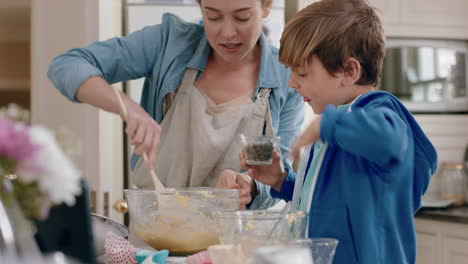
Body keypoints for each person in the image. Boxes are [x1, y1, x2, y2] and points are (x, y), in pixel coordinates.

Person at [47, 0, 304, 209]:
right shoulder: (169, 43)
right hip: (159, 238)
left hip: (235, 246)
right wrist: (128, 108)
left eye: (242, 17)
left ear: (266, 7)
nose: (227, 32)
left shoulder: (286, 77)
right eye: (213, 17)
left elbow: (275, 178)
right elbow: (67, 65)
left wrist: (249, 185)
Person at [240, 0, 438, 263]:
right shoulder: (341, 124)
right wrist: (280, 180)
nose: (291, 82)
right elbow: (320, 203)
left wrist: (327, 125)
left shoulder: (378, 113)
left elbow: (389, 142)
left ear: (349, 71)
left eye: (302, 72)